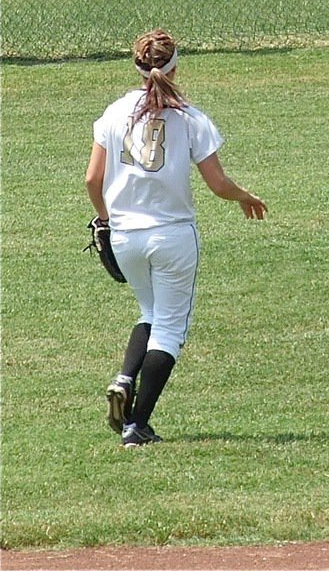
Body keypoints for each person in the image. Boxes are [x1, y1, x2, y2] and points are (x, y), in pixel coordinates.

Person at [85, 29, 267, 448]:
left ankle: (125, 378)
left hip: (126, 236)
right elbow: (218, 184)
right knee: (168, 329)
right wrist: (245, 196)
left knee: (150, 311)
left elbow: (93, 179)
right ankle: (136, 426)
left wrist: (106, 221)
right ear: (175, 67)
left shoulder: (114, 113)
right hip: (172, 237)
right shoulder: (189, 118)